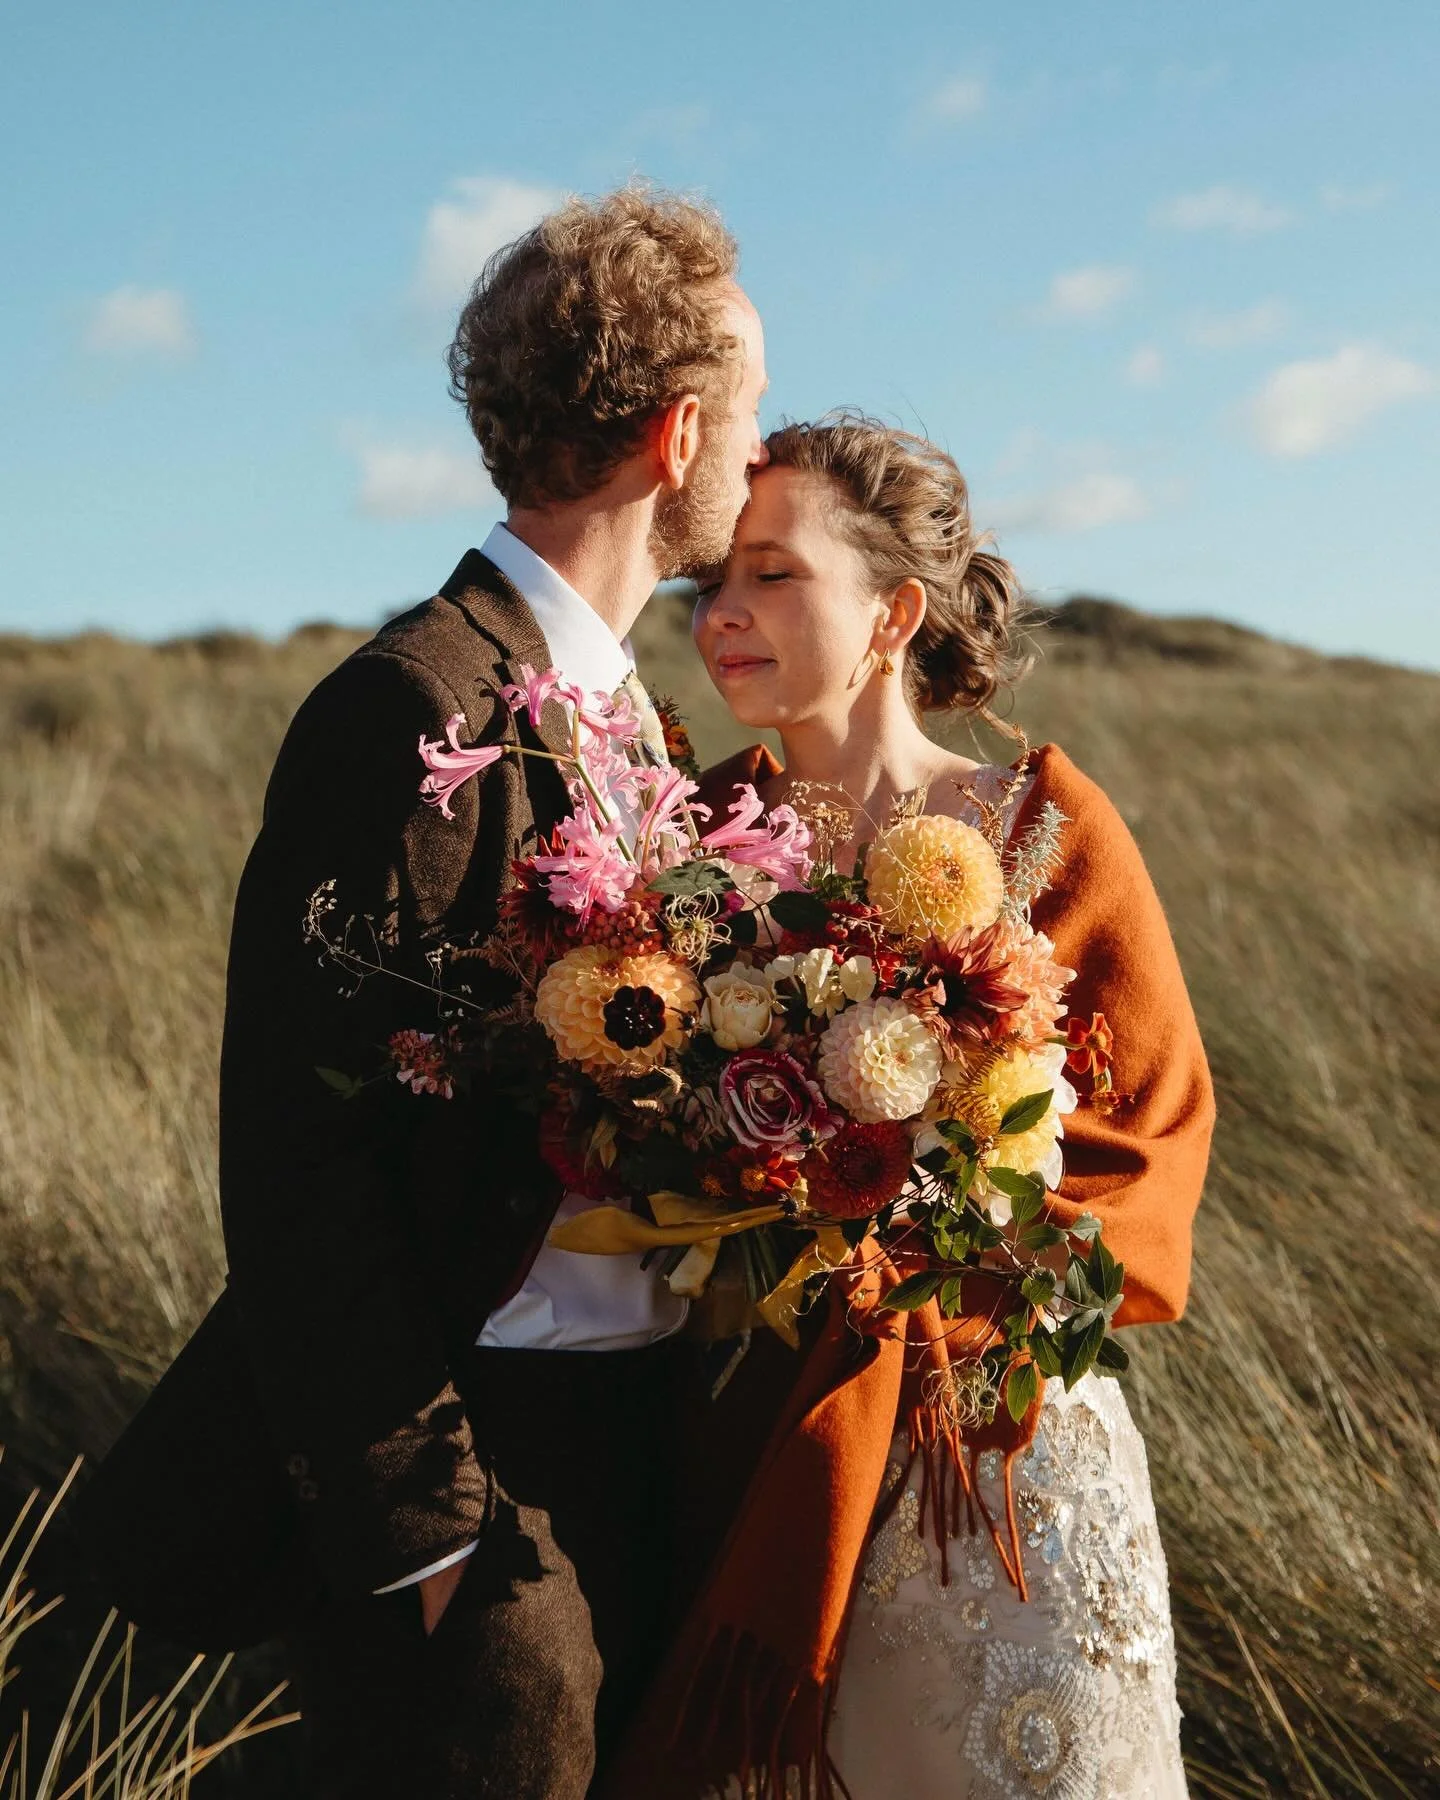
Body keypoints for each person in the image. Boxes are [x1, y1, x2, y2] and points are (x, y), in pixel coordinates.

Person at [74, 184, 769, 1800]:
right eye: (744, 411)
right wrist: (436, 1549)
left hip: (635, 1449)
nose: (754, 450)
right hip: (478, 1485)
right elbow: (292, 1161)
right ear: (677, 437)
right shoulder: (406, 705)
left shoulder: (641, 731)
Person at [597, 414, 1214, 1800]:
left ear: (895, 612)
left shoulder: (1037, 826)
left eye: (772, 575)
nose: (723, 615)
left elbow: (1150, 1144)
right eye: (711, 584)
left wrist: (935, 1263)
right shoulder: (693, 850)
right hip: (762, 1432)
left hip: (989, 1454)